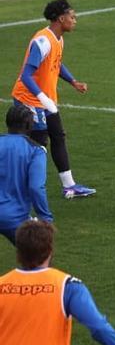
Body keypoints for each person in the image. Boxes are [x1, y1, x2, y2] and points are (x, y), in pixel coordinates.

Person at [10, 0, 95, 199]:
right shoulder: (42, 41)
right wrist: (41, 98)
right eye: (72, 17)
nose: (75, 20)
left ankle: (70, 186)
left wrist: (73, 81)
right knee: (37, 144)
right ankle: (19, 189)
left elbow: (56, 63)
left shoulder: (58, 39)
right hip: (29, 100)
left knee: (58, 136)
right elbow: (26, 75)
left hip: (46, 100)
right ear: (60, 18)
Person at [0, 105, 53, 245]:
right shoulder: (36, 150)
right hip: (14, 218)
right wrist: (46, 219)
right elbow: (36, 188)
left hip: (12, 216)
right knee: (38, 259)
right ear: (29, 124)